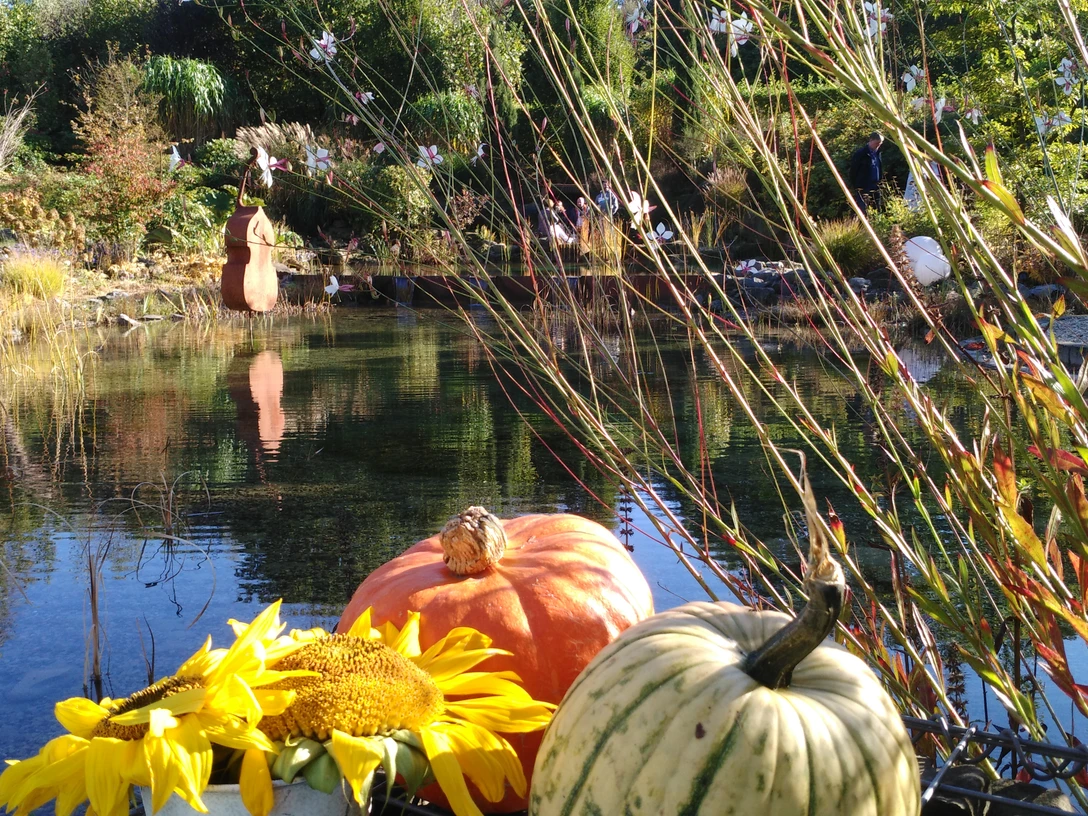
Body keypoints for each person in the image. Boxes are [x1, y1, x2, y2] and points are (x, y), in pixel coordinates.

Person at [849, 131, 884, 213]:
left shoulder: (878, 153)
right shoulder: (860, 154)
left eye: (880, 144)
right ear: (871, 140)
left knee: (877, 210)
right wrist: (857, 186)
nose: (878, 146)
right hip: (863, 187)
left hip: (876, 186)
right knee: (863, 210)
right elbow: (853, 171)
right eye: (877, 143)